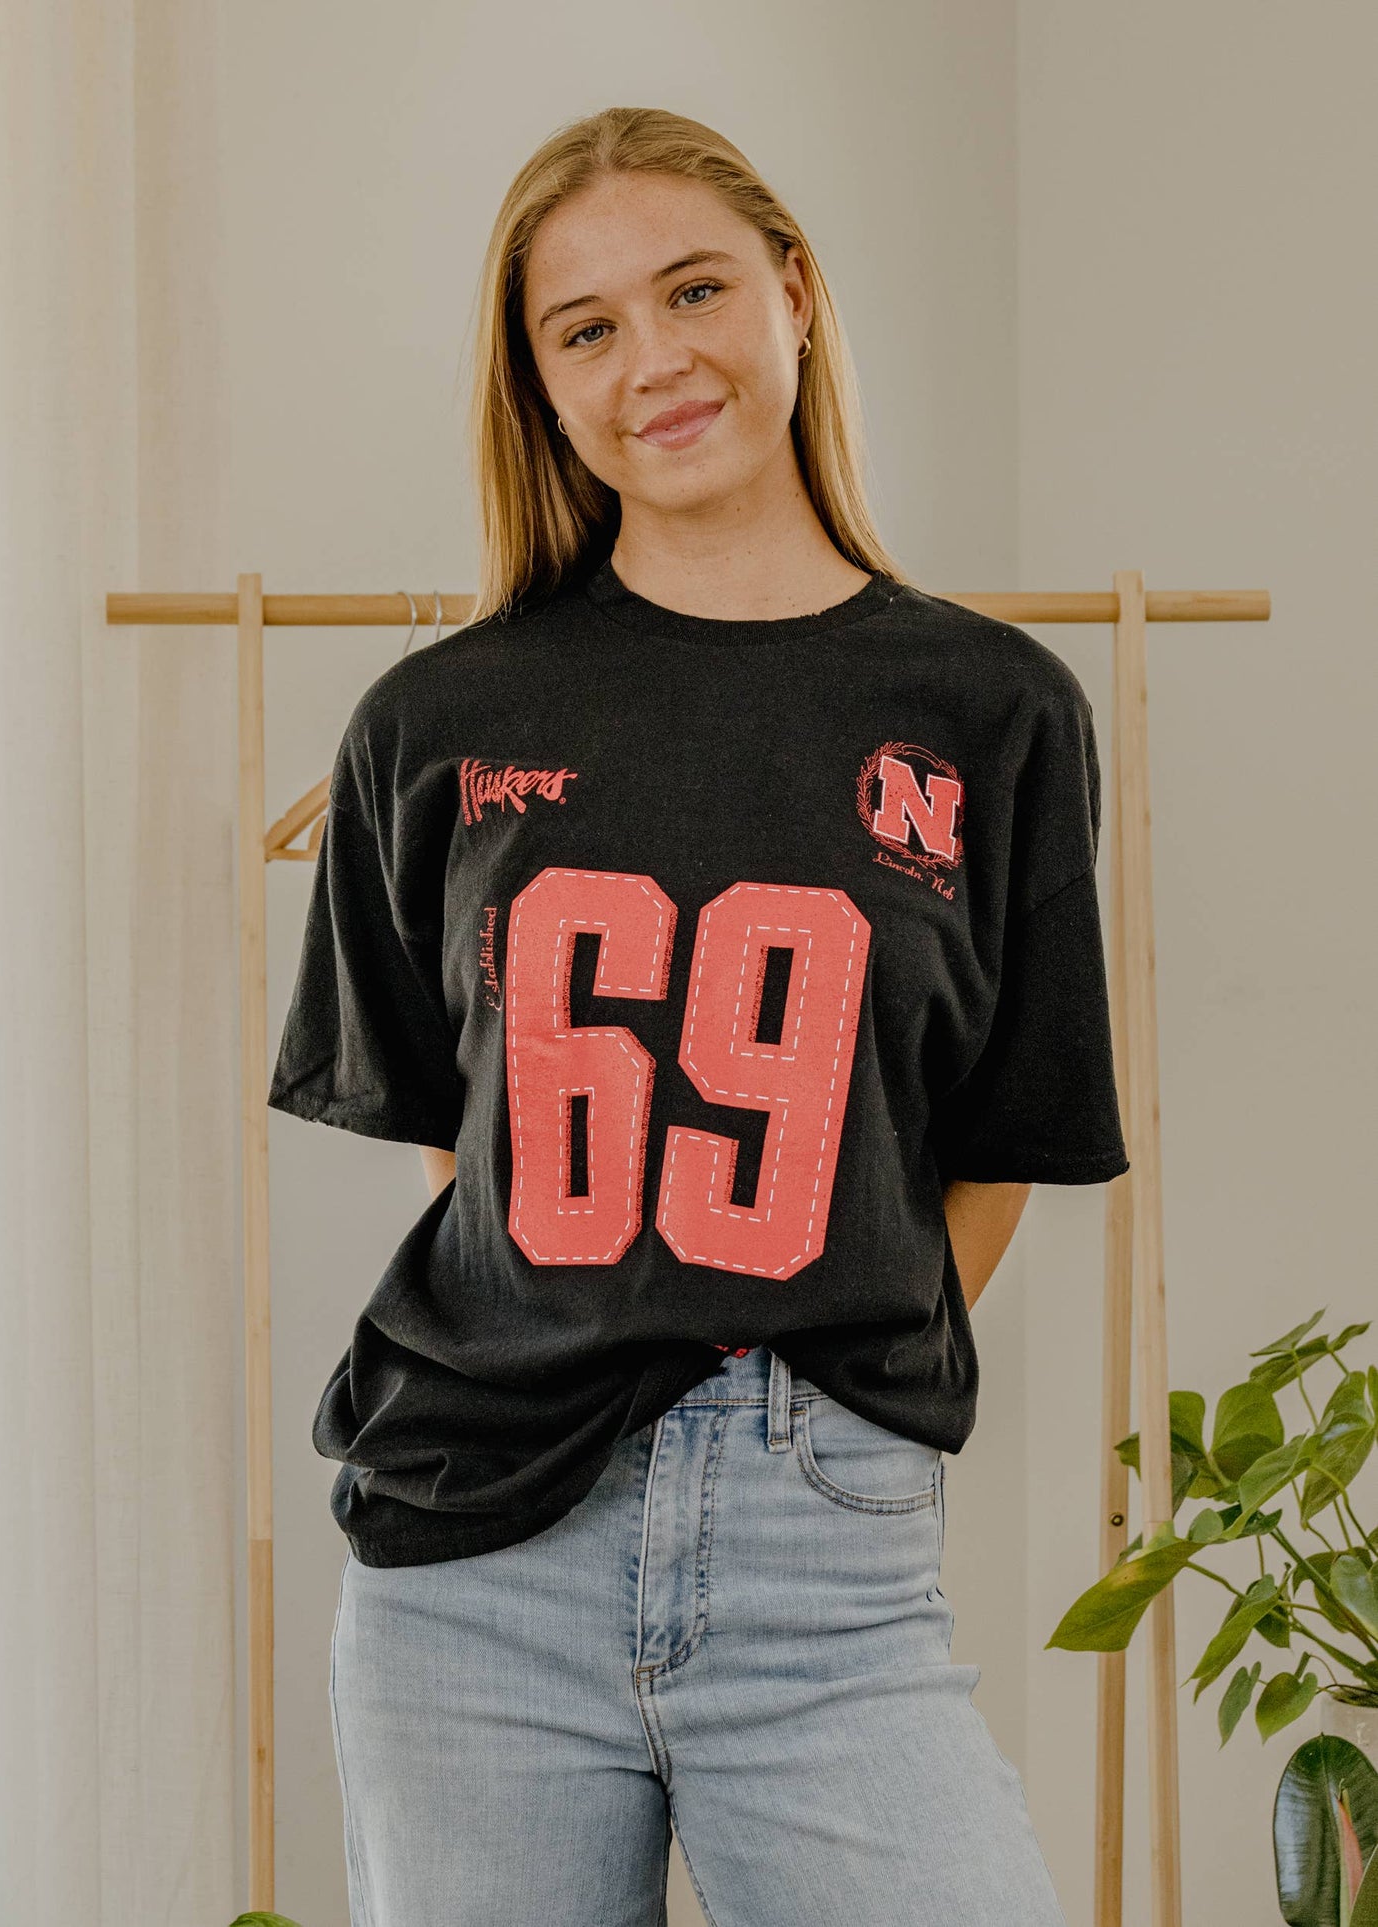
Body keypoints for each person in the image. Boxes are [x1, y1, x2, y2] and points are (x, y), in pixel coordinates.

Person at [268, 104, 1128, 1927]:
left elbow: (998, 1152)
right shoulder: (428, 726)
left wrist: (799, 1391)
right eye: (584, 329)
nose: (651, 360)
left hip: (826, 1562)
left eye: (693, 290)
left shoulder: (998, 711)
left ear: (793, 295)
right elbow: (473, 1144)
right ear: (540, 386)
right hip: (468, 1571)